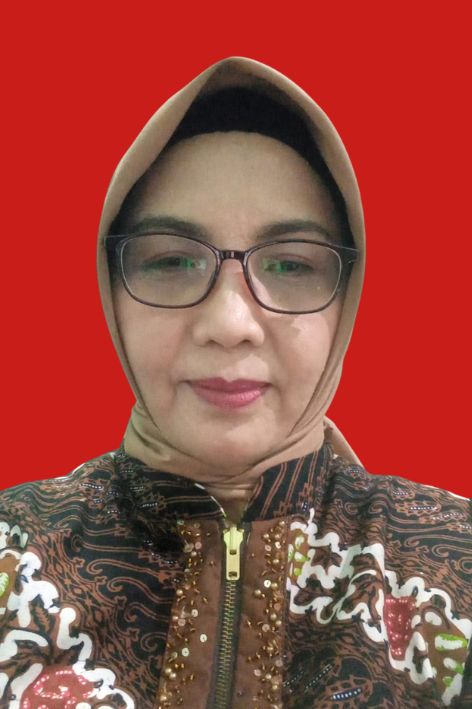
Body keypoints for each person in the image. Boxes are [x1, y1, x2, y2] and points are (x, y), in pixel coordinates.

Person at [0, 57, 470, 709]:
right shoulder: (14, 551)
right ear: (111, 289)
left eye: (290, 265)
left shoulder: (453, 559)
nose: (230, 323)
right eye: (171, 260)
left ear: (347, 299)